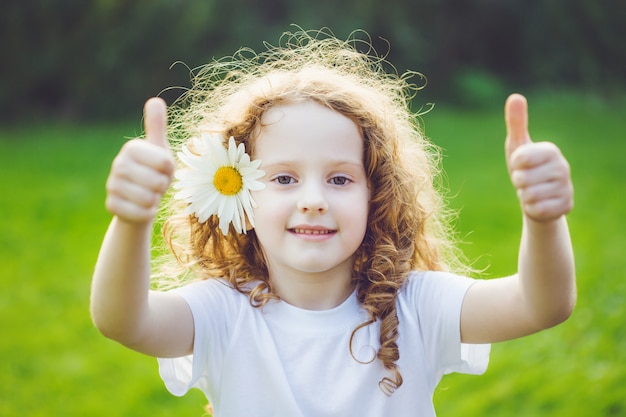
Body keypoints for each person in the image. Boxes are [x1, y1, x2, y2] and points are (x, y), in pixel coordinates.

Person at [90, 30, 575, 416]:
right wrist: (131, 222)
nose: (314, 200)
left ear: (376, 195)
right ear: (237, 191)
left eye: (340, 179)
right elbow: (122, 320)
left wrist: (544, 219)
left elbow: (540, 305)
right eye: (283, 178)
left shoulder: (415, 307)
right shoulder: (222, 314)